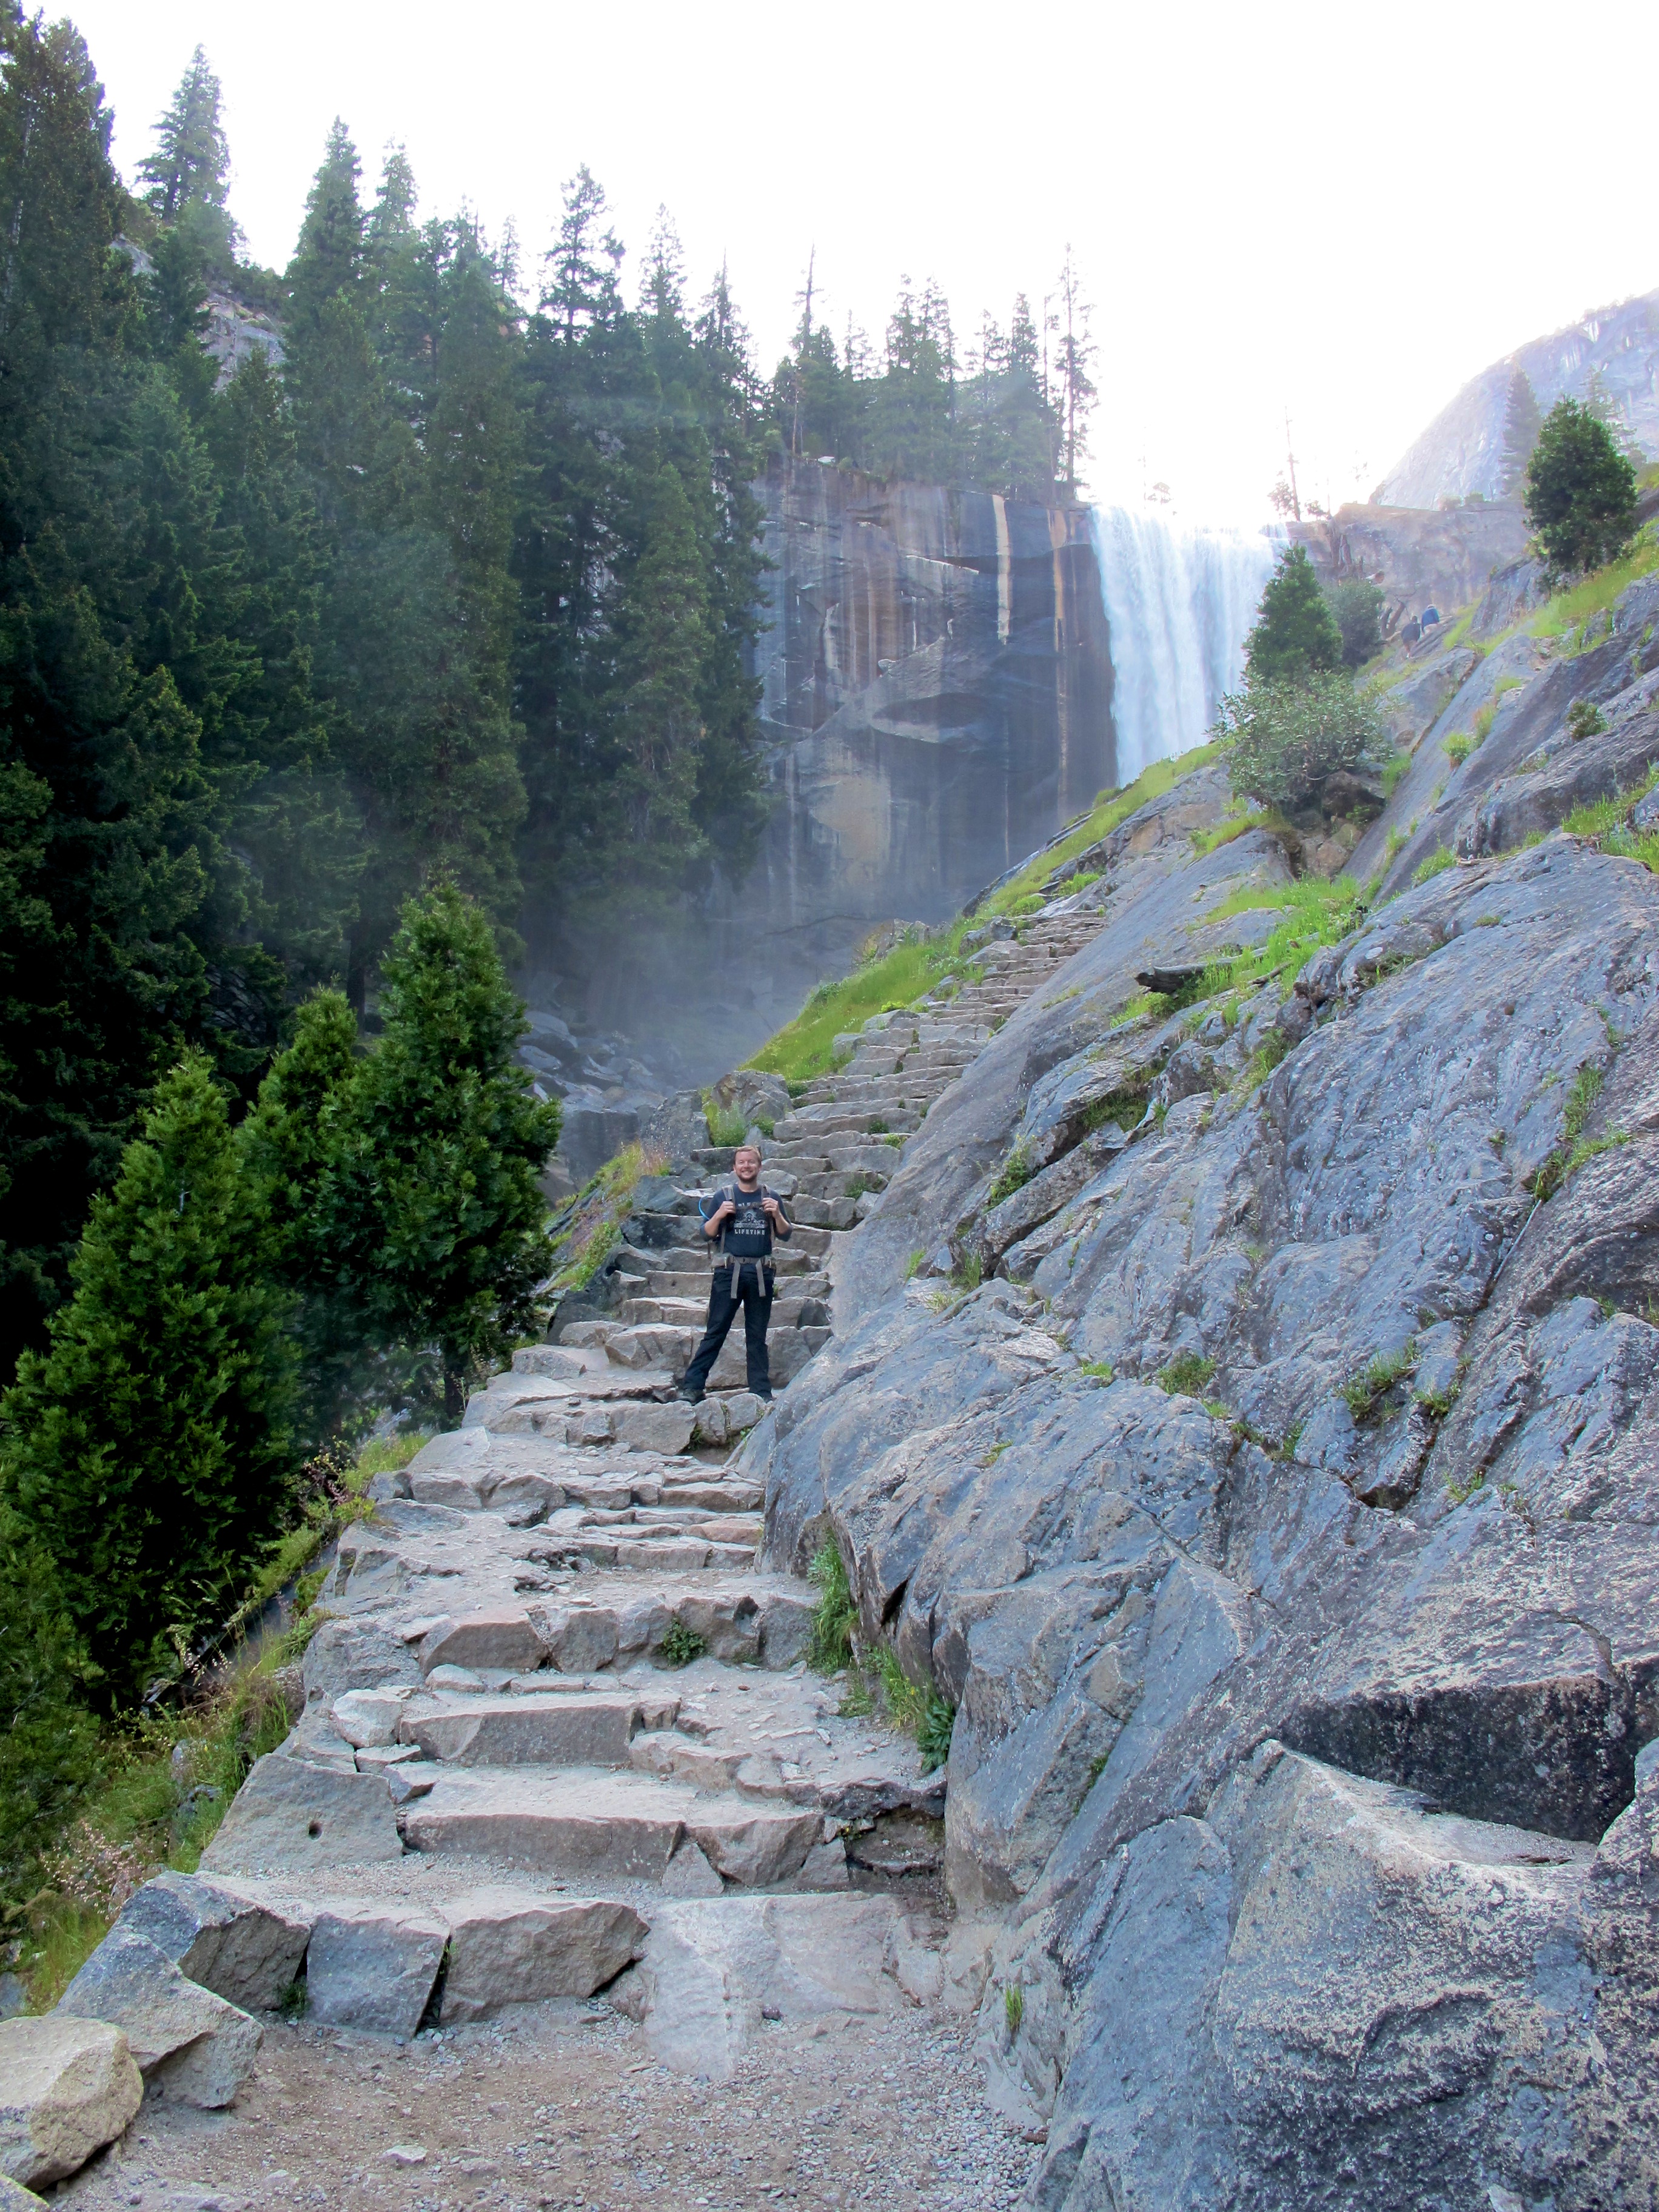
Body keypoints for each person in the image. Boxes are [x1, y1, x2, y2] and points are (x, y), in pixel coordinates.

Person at [677, 1141, 791, 1404]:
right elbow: (706, 1234)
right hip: (728, 1273)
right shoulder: (723, 1196)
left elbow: (786, 1234)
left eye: (751, 1162)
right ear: (734, 1167)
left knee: (757, 1335)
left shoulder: (771, 1197)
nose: (746, 1166)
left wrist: (777, 1215)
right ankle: (692, 1387)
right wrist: (718, 1215)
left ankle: (760, 1392)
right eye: (742, 1162)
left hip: (761, 1273)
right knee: (716, 1330)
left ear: (759, 1166)